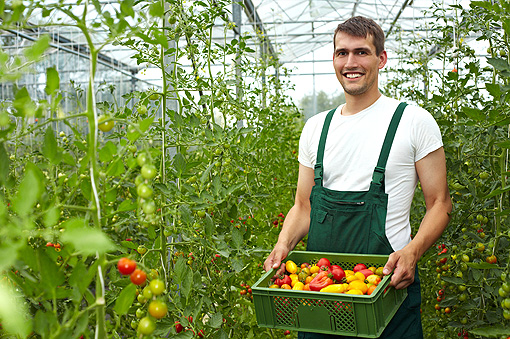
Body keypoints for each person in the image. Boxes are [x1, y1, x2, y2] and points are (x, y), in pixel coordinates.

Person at [263, 16, 452, 339]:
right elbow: (303, 206)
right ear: (334, 59)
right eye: (342, 53)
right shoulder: (316, 129)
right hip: (319, 297)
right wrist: (283, 244)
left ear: (381, 59)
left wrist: (413, 252)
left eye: (361, 52)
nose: (350, 62)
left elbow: (440, 204)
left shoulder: (412, 121)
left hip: (386, 292)